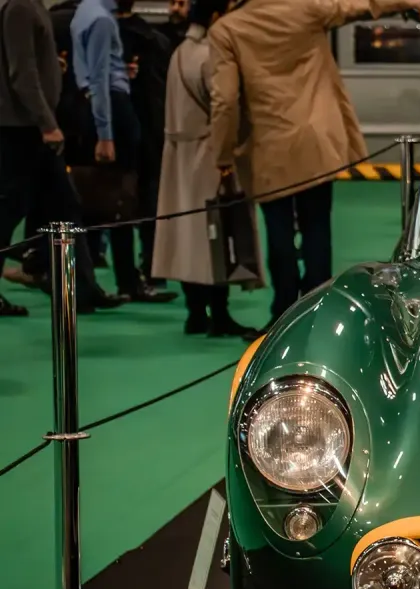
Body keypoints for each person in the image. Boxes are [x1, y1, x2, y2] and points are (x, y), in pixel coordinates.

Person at [208, 0, 420, 323]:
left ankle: (283, 314)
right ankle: (317, 311)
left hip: (268, 143)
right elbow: (359, 6)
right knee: (317, 227)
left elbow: (225, 100)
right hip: (317, 139)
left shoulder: (226, 30)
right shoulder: (305, 8)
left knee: (279, 233)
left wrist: (222, 154)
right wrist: (403, 3)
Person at [0, 0, 124, 315]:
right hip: (24, 130)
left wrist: (51, 67)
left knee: (64, 207)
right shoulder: (20, 7)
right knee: (9, 211)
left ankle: (81, 289)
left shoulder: (30, 6)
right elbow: (21, 74)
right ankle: (79, 288)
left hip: (31, 128)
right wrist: (47, 123)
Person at [153, 0, 258, 339]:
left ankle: (195, 313)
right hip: (208, 154)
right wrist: (229, 152)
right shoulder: (211, 55)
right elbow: (224, 105)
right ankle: (220, 314)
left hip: (178, 155)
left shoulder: (180, 51)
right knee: (216, 236)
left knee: (187, 239)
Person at [70, 0, 174, 303]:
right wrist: (106, 133)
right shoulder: (102, 20)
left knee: (103, 197)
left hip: (96, 105)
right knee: (122, 199)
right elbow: (100, 79)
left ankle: (107, 279)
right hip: (112, 109)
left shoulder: (84, 11)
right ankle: (129, 281)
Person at [116, 1, 171, 292]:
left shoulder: (109, 34)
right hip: (154, 131)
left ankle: (127, 276)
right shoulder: (157, 40)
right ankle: (153, 267)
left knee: (118, 207)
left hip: (122, 133)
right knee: (151, 204)